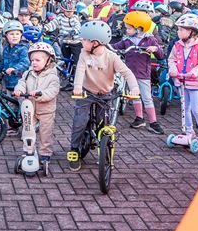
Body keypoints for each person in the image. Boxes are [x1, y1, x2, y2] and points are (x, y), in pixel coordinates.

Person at [68, 20, 140, 171]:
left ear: (95, 43)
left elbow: (127, 73)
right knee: (80, 121)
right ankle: (74, 149)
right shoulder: (84, 54)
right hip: (86, 93)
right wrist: (77, 87)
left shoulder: (111, 57)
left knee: (104, 124)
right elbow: (80, 71)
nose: (82, 42)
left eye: (84, 40)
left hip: (106, 94)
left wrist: (134, 88)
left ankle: (104, 150)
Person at [113, 11, 165, 133]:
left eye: (129, 28)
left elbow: (161, 55)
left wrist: (155, 49)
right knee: (135, 96)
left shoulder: (149, 39)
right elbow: (115, 46)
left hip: (143, 74)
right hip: (130, 73)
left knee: (146, 98)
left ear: (139, 28)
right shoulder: (127, 40)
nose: (126, 30)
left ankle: (153, 122)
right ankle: (139, 118)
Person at [168, 14, 198, 151]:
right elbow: (172, 60)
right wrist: (173, 70)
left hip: (195, 82)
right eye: (179, 29)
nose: (179, 32)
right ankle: (189, 131)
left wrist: (193, 72)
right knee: (184, 107)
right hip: (181, 80)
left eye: (182, 30)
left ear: (192, 32)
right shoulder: (177, 45)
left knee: (195, 109)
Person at [13, 42, 60, 165]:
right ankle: (28, 150)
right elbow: (22, 82)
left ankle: (45, 153)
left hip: (46, 110)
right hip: (30, 109)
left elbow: (53, 91)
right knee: (28, 129)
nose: (34, 63)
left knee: (45, 133)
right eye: (32, 60)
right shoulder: (28, 73)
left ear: (48, 61)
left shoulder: (52, 76)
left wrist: (40, 93)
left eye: (37, 60)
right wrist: (19, 90)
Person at [0, 20, 30, 94]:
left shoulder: (23, 49)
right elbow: (3, 63)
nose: (15, 36)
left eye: (17, 34)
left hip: (19, 83)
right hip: (7, 82)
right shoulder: (6, 48)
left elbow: (25, 62)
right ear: (6, 35)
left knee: (19, 103)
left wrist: (14, 68)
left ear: (21, 35)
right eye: (11, 34)